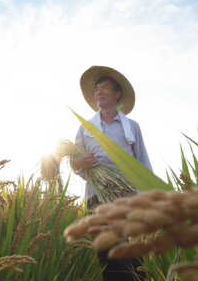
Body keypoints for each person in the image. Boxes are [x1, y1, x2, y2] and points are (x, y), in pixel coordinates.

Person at [71, 65, 151, 281]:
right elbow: (74, 163)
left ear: (117, 94)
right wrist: (80, 162)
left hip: (127, 197)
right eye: (97, 88)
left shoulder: (131, 127)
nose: (99, 91)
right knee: (108, 253)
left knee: (132, 252)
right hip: (97, 196)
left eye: (105, 87)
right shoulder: (86, 127)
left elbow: (142, 162)